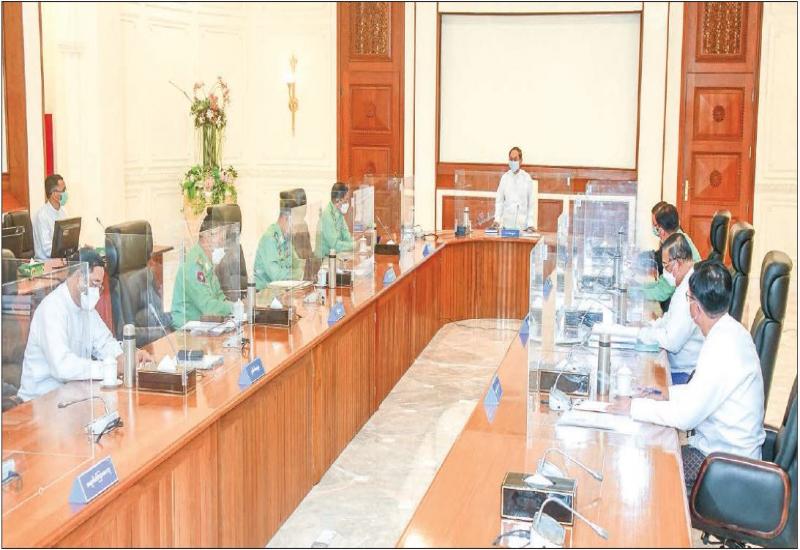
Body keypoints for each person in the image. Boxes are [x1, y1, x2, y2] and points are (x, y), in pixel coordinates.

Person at [623, 260, 765, 492]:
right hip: (724, 455)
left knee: (652, 467)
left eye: (688, 298)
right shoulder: (731, 331)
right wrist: (666, 393)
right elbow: (701, 392)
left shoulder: (721, 347)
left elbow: (685, 417)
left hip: (726, 468)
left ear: (696, 308)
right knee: (655, 449)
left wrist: (633, 407)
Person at [17, 247, 151, 401]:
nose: (97, 292)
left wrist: (128, 357)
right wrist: (110, 368)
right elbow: (62, 367)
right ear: (79, 276)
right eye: (95, 283)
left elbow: (105, 343)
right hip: (39, 401)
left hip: (70, 395)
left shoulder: (87, 308)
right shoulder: (52, 309)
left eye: (99, 286)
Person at [637, 233, 704, 384]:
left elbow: (671, 342)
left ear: (678, 263)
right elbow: (670, 318)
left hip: (685, 373)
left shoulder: (689, 291)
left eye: (666, 266)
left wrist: (644, 334)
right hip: (680, 365)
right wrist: (651, 325)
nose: (665, 272)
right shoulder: (685, 281)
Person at [171, 218, 243, 328]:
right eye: (220, 242)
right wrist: (233, 308)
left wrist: (234, 308)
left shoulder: (206, 263)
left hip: (205, 326)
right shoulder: (194, 265)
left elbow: (220, 296)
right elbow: (208, 307)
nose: (222, 246)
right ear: (207, 237)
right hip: (186, 331)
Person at [642, 202, 701, 305]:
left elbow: (662, 292)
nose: (656, 231)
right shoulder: (679, 238)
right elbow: (664, 281)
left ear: (661, 230)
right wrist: (641, 287)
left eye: (656, 227)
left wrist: (634, 292)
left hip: (687, 302)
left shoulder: (675, 248)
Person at [253, 197, 304, 290]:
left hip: (281, 291)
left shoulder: (286, 239)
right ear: (285, 218)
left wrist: (301, 271)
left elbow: (298, 264)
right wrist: (298, 274)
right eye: (294, 224)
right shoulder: (269, 239)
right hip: (263, 293)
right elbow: (277, 276)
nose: (296, 230)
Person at [490, 146, 537, 231]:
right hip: (506, 227)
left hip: (522, 227)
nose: (513, 162)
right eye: (511, 159)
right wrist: (497, 220)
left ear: (521, 161)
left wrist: (530, 224)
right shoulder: (505, 178)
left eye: (515, 159)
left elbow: (531, 204)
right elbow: (499, 201)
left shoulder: (526, 178)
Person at [32, 174, 68, 259]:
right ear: (54, 194)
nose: (66, 193)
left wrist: (79, 247)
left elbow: (68, 238)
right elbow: (47, 249)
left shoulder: (63, 211)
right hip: (46, 262)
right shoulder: (42, 215)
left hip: (62, 259)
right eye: (63, 190)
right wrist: (66, 252)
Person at [315, 182, 354, 259]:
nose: (347, 203)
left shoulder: (339, 214)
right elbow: (335, 245)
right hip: (323, 259)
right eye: (346, 200)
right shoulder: (327, 216)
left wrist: (353, 243)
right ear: (338, 200)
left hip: (334, 256)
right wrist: (353, 245)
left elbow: (346, 234)